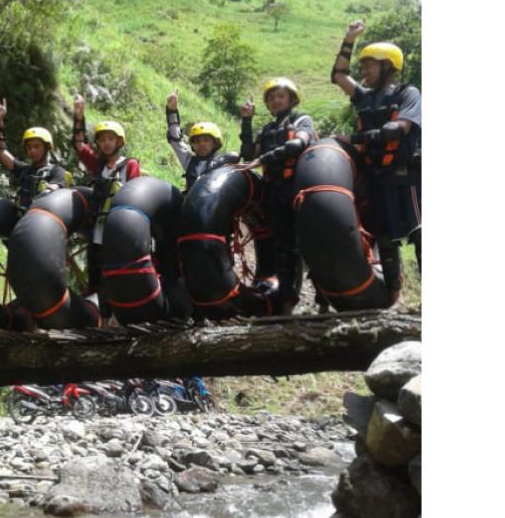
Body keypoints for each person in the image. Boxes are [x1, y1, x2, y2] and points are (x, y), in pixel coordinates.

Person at [330, 20, 422, 303]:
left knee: (423, 237)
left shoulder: (408, 93)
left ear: (387, 66)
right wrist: (349, 39)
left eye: (370, 64)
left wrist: (353, 139)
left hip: (406, 178)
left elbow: (396, 130)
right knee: (384, 239)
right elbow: (338, 76)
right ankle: (393, 299)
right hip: (377, 179)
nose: (364, 70)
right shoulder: (364, 97)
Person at [240, 77, 317, 315]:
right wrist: (246, 121)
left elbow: (298, 144)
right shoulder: (267, 130)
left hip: (299, 189)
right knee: (283, 247)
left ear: (292, 99)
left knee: (310, 244)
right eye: (271, 97)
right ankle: (286, 300)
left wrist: (264, 159)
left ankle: (323, 299)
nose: (275, 100)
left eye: (280, 96)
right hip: (275, 192)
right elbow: (247, 154)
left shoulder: (302, 120)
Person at [72, 94, 141, 323]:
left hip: (120, 232)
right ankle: (104, 318)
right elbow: (79, 145)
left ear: (119, 142)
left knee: (118, 276)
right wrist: (79, 117)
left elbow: (136, 193)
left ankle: (121, 318)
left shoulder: (129, 165)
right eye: (102, 140)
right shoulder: (98, 165)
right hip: (98, 232)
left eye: (111, 139)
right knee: (98, 278)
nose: (106, 143)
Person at [0, 99, 71, 208]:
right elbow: (0, 150)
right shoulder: (24, 170)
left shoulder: (57, 172)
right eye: (29, 147)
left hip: (44, 219)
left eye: (37, 146)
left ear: (47, 147)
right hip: (24, 218)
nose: (32, 151)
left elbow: (53, 190)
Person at [164, 88, 240, 192]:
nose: (201, 144)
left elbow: (235, 157)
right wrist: (171, 111)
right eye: (197, 141)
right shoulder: (189, 160)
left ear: (215, 143)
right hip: (191, 204)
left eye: (206, 140)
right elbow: (175, 139)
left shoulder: (222, 161)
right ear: (192, 145)